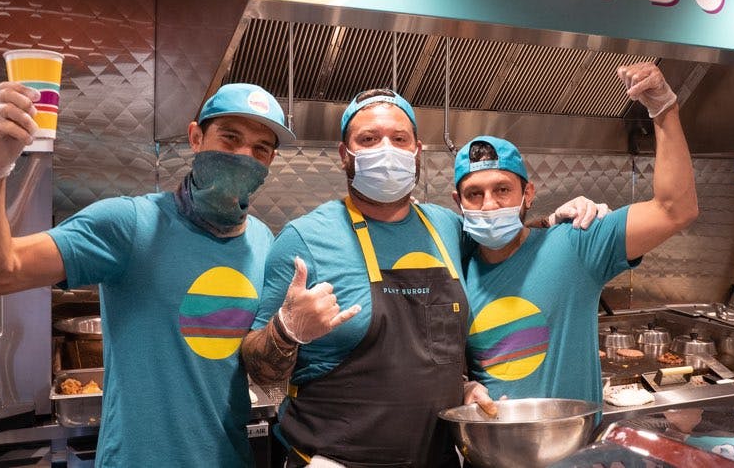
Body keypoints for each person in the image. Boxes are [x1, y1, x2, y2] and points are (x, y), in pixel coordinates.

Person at [240, 88, 608, 468]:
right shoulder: (303, 240)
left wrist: (550, 223)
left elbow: (500, 242)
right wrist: (287, 332)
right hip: (334, 460)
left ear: (417, 150)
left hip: (438, 458)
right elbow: (259, 368)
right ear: (343, 155)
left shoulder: (446, 226)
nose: (386, 150)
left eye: (399, 139)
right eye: (368, 139)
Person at [0, 81, 297, 467]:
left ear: (269, 163)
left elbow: (261, 364)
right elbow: (3, 272)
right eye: (230, 138)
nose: (243, 156)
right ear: (196, 138)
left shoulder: (262, 242)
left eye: (260, 149)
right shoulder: (129, 224)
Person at [453, 62, 699, 407]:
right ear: (458, 202)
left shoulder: (577, 243)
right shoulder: (455, 271)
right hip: (493, 450)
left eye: (502, 190)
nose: (490, 205)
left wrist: (664, 109)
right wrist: (462, 386)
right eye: (474, 194)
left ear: (528, 194)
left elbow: (675, 209)